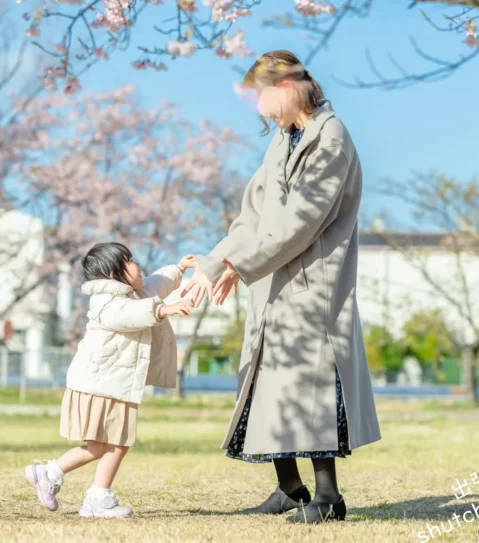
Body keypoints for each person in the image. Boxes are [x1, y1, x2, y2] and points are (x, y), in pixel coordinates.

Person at [183, 50, 381, 524]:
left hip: (311, 283)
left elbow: (302, 221)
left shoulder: (330, 139)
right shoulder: (282, 140)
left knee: (310, 388)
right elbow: (251, 215)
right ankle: (290, 489)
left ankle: (329, 498)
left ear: (289, 88)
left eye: (265, 99)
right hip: (272, 278)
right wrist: (214, 263)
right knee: (266, 386)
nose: (262, 111)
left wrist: (238, 262)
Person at [25, 242, 196, 518]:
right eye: (128, 260)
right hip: (102, 385)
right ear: (112, 273)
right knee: (117, 443)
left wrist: (179, 269)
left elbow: (157, 283)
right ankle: (96, 497)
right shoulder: (107, 301)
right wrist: (164, 310)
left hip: (109, 384)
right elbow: (128, 316)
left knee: (102, 446)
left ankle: (51, 472)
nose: (137, 264)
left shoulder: (135, 293)